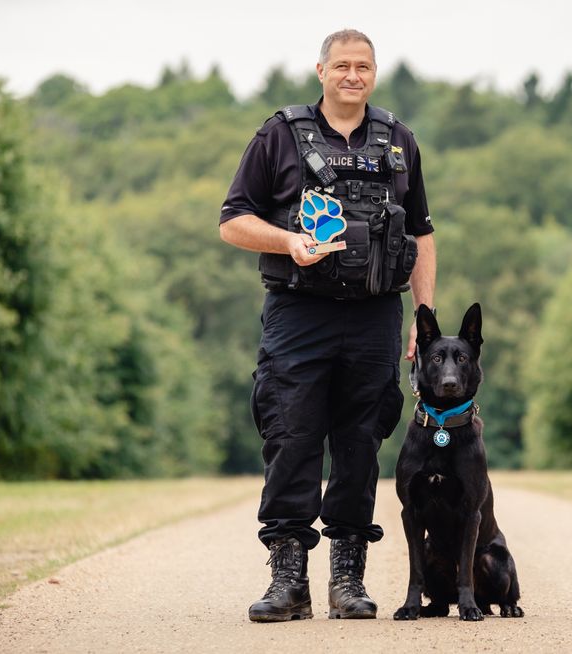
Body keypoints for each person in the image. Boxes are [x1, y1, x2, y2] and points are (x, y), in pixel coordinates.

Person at [218, 29, 436, 622]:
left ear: (374, 72)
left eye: (363, 66)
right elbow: (233, 221)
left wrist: (423, 316)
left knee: (360, 440)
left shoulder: (399, 141)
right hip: (299, 312)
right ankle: (288, 579)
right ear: (320, 71)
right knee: (291, 436)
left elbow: (420, 234)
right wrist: (289, 241)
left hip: (373, 317)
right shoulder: (280, 135)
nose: (352, 76)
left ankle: (348, 579)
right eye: (341, 65)